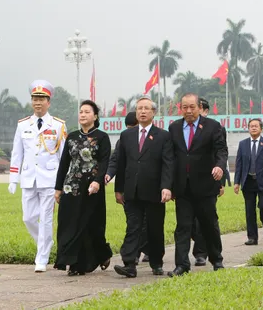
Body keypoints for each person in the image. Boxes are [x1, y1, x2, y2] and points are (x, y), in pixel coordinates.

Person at [8, 79, 67, 272]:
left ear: (49, 102)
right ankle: (45, 243)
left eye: (42, 99)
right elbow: (17, 154)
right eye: (35, 98)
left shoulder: (58, 125)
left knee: (46, 219)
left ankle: (41, 258)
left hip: (50, 179)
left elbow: (63, 156)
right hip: (28, 178)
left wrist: (62, 182)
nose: (38, 102)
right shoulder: (23, 124)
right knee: (28, 218)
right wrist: (13, 179)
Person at [113, 97, 174, 278]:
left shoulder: (163, 136)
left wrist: (166, 187)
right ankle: (129, 264)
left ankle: (156, 262)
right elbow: (121, 163)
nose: (142, 112)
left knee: (155, 228)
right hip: (132, 191)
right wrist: (119, 189)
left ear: (153, 113)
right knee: (133, 227)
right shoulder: (126, 135)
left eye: (146, 108)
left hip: (155, 192)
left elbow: (168, 164)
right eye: (139, 108)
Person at [168, 93, 227, 277]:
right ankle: (182, 265)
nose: (188, 111)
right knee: (183, 227)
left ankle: (217, 260)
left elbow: (221, 151)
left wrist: (219, 167)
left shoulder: (212, 126)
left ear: (199, 107)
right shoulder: (174, 128)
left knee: (209, 224)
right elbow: (171, 158)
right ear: (181, 108)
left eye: (192, 107)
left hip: (206, 186)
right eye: (185, 107)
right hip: (183, 188)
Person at [54, 100, 112, 276]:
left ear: (95, 116)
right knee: (69, 223)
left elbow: (104, 162)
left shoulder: (102, 137)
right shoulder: (71, 137)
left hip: (92, 187)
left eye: (87, 112)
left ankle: (100, 254)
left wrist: (97, 181)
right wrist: (58, 188)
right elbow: (64, 163)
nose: (83, 114)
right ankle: (72, 262)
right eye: (81, 112)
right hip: (72, 186)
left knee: (90, 224)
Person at [104, 112, 149, 264]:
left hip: (149, 189)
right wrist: (109, 175)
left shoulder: (153, 138)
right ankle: (133, 255)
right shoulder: (124, 140)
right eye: (129, 128)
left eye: (134, 127)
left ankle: (149, 250)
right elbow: (115, 161)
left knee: (148, 222)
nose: (131, 130)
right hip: (130, 189)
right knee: (133, 223)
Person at [191, 98, 230, 265]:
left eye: (197, 108)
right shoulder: (182, 128)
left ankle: (202, 253)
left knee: (206, 219)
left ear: (204, 111)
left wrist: (219, 182)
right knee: (190, 221)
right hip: (187, 183)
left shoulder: (216, 128)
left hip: (209, 181)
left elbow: (220, 155)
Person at [234, 118, 263, 245]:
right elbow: (239, 164)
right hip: (248, 181)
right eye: (251, 126)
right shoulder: (243, 144)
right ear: (248, 129)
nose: (253, 128)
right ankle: (252, 237)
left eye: (256, 126)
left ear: (261, 129)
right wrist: (237, 182)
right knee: (249, 211)